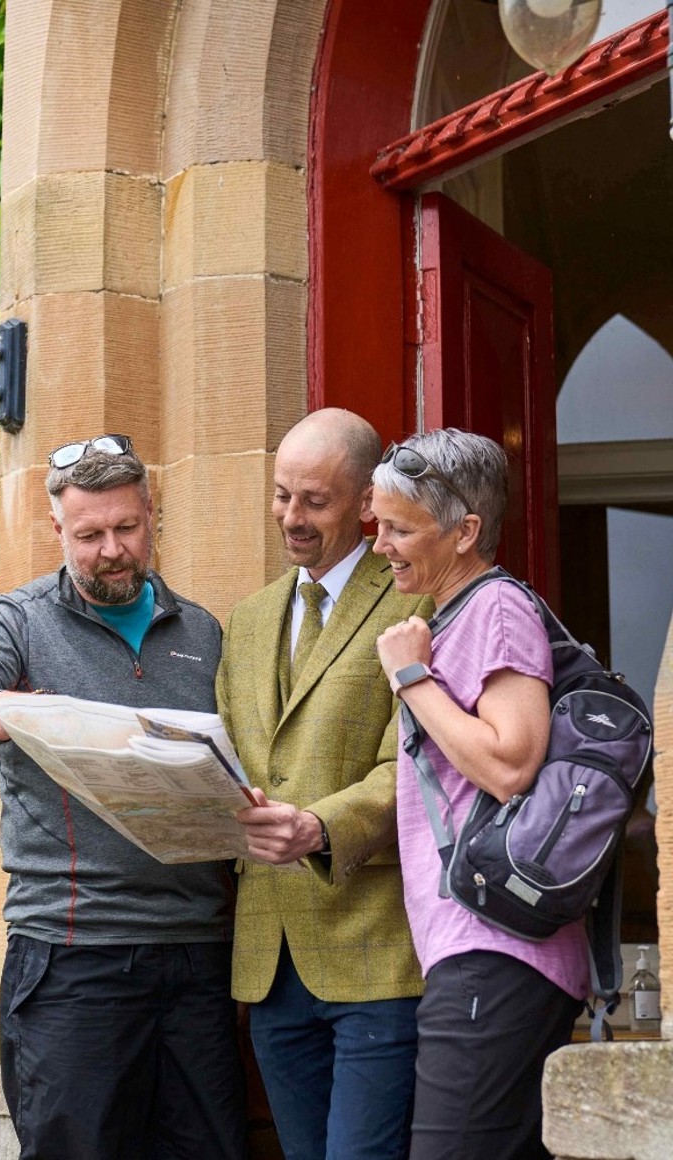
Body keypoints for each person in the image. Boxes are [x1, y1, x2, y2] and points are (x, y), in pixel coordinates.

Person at [0, 434, 246, 1160]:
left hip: (196, 953)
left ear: (152, 516)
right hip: (73, 959)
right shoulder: (20, 620)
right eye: (89, 534)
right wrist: (30, 714)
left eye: (126, 528)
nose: (111, 550)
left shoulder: (203, 632)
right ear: (57, 530)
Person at [216, 408, 431, 1160]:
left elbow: (417, 768)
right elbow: (229, 766)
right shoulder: (245, 621)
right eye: (281, 496)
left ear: (368, 502)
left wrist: (318, 826)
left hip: (379, 953)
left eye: (315, 500)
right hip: (270, 961)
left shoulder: (416, 604)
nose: (291, 517)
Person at [371, 428, 590, 1160]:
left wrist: (411, 678)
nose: (380, 546)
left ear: (465, 531)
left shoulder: (495, 608)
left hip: (495, 944)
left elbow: (510, 761)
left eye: (399, 529)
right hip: (479, 944)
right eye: (379, 525)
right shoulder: (455, 614)